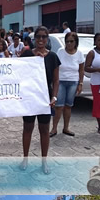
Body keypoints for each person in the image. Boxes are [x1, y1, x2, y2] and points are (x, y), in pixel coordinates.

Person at [20, 26, 60, 174]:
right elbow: (18, 74)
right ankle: (25, 159)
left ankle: (44, 161)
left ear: (47, 38)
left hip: (45, 99)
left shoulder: (53, 57)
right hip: (30, 98)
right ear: (34, 39)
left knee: (44, 129)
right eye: (38, 37)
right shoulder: (27, 55)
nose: (41, 39)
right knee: (27, 128)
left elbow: (56, 81)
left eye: (44, 37)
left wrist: (54, 96)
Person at [50, 31, 85, 138]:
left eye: (71, 41)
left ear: (76, 42)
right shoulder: (60, 52)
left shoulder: (79, 54)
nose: (69, 43)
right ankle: (54, 128)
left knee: (68, 106)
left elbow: (81, 70)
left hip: (73, 82)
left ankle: (66, 128)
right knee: (59, 107)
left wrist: (80, 83)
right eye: (67, 41)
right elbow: (55, 67)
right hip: (60, 82)